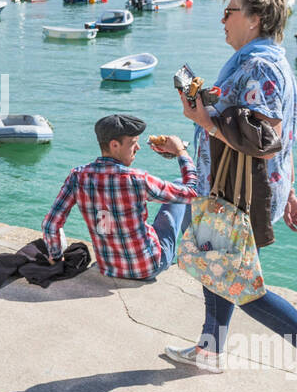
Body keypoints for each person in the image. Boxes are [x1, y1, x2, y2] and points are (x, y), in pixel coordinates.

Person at [166, 0, 297, 392]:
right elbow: (284, 134)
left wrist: (204, 120)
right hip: (238, 188)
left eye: (229, 11)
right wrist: (289, 189)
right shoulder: (262, 61)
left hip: (241, 194)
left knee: (242, 286)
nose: (222, 20)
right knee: (218, 266)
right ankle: (209, 350)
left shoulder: (260, 66)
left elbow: (264, 137)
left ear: (256, 19)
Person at [42, 114, 198, 281]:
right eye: (133, 143)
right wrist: (180, 151)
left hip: (108, 268)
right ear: (115, 145)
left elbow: (50, 225)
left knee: (112, 219)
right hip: (148, 268)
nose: (138, 147)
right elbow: (191, 193)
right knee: (178, 185)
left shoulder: (77, 176)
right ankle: (199, 253)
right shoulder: (138, 179)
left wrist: (57, 257)